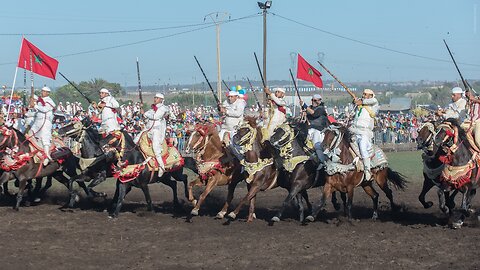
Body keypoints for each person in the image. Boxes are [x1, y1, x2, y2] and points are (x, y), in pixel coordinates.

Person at [136, 93, 169, 177]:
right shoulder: (152, 109)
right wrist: (142, 112)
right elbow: (145, 117)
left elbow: (155, 116)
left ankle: (161, 166)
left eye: (157, 98)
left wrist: (145, 114)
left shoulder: (163, 108)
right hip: (148, 129)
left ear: (161, 100)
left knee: (155, 148)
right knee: (135, 140)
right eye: (155, 98)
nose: (155, 99)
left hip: (157, 131)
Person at [349, 89, 379, 181]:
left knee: (362, 147)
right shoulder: (360, 105)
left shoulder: (374, 103)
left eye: (365, 94)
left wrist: (360, 101)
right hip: (354, 130)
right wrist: (354, 102)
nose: (363, 95)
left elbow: (372, 101)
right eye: (363, 94)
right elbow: (351, 111)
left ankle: (367, 170)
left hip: (365, 132)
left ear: (370, 95)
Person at [29, 86, 56, 166]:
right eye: (42, 91)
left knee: (45, 138)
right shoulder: (39, 101)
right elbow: (36, 111)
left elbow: (45, 109)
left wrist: (35, 106)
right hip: (37, 121)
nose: (42, 92)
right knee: (30, 134)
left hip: (45, 122)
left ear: (48, 93)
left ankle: (47, 156)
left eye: (44, 91)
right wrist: (32, 106)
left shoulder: (49, 101)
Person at [302, 94, 329, 168]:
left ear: (319, 101)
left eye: (315, 100)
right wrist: (303, 112)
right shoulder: (310, 108)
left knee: (316, 145)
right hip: (309, 130)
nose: (313, 102)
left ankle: (322, 161)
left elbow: (314, 114)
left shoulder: (321, 109)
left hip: (318, 130)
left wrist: (304, 105)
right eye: (312, 100)